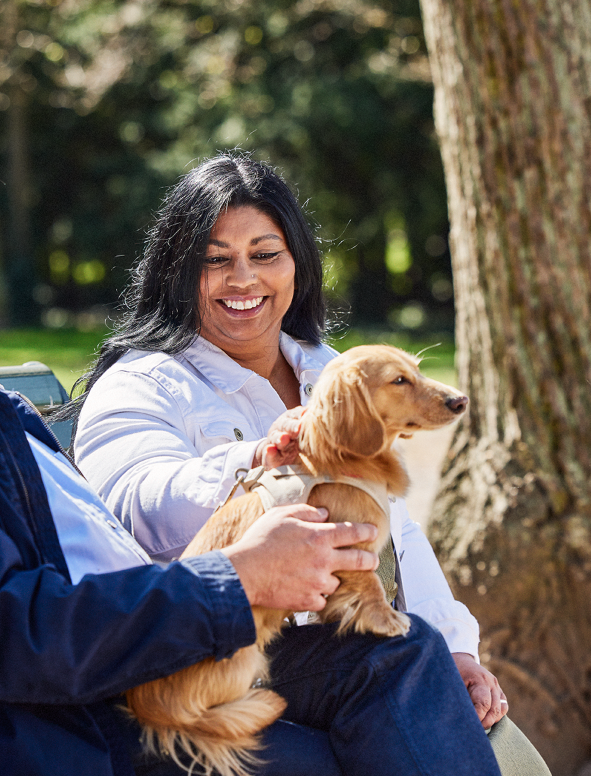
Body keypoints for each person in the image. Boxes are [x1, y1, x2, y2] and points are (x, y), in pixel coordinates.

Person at [0, 111, 502, 776]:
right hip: (19, 735)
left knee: (390, 658)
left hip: (104, 683)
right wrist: (237, 579)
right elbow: (4, 634)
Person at [68, 153, 549, 774]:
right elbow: (134, 508)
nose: (243, 278)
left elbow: (392, 527)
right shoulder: (142, 383)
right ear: (178, 272)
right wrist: (254, 458)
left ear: (298, 263)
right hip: (211, 648)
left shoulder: (334, 371)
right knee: (389, 664)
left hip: (319, 649)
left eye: (265, 255)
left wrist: (456, 649)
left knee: (412, 657)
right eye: (215, 260)